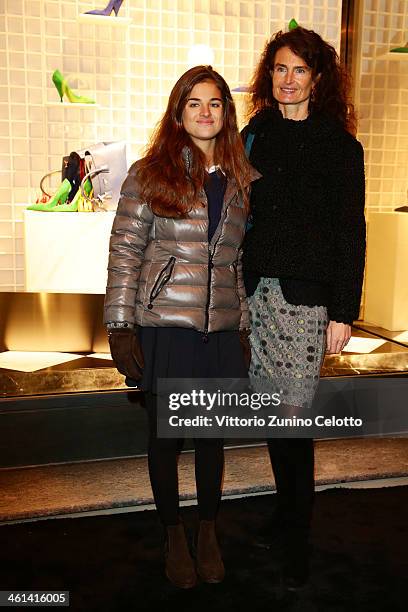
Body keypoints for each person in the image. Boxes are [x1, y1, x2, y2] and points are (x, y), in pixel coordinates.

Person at [104, 65, 258, 589]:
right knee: (166, 439)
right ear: (178, 111)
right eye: (194, 103)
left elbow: (234, 261)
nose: (205, 112)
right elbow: (125, 251)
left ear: (226, 112)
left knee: (213, 438)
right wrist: (121, 325)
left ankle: (208, 532)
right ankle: (173, 534)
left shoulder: (240, 179)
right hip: (165, 325)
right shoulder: (149, 174)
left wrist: (242, 325)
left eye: (215, 103)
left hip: (219, 331)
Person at [242, 26, 366, 589]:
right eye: (279, 70)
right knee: (273, 412)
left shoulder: (341, 147)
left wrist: (344, 310)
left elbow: (350, 234)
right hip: (254, 295)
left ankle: (299, 536)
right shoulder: (255, 134)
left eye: (299, 70)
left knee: (293, 419)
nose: (287, 80)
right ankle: (283, 511)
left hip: (305, 300)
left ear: (318, 78)